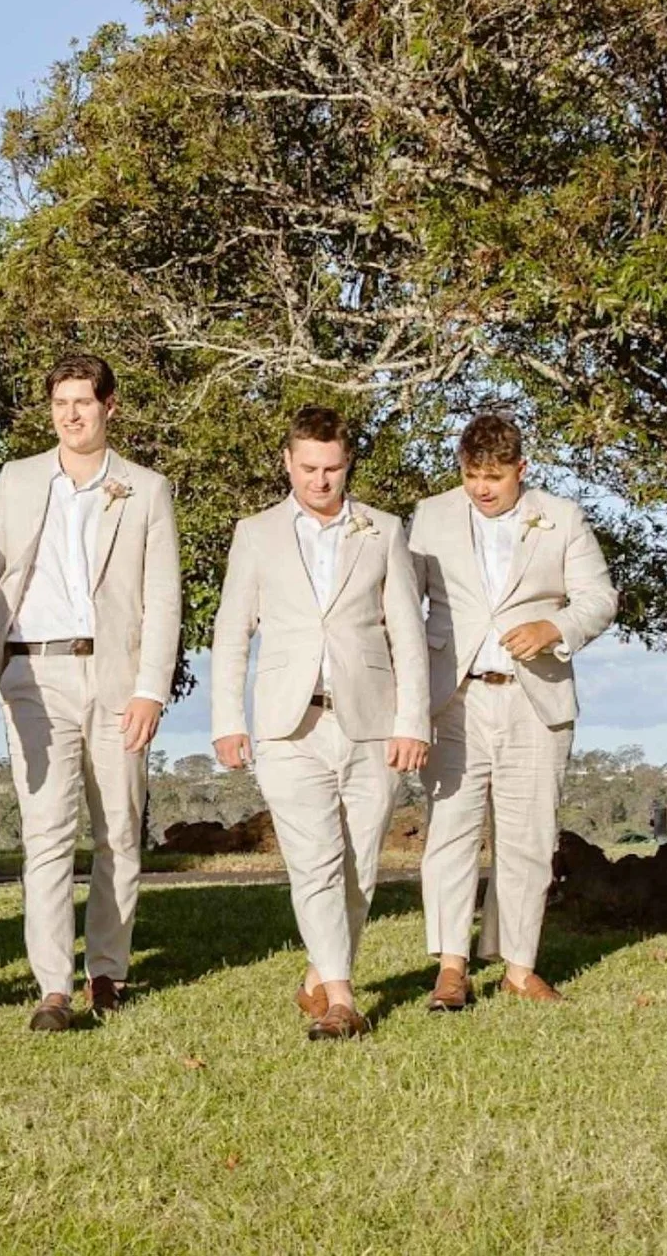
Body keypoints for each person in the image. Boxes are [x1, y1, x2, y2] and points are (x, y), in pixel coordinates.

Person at [0, 355, 179, 1030]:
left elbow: (162, 601)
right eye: (60, 402)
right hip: (31, 673)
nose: (70, 414)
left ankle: (107, 970)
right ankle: (53, 985)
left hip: (114, 675)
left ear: (110, 406)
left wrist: (150, 690)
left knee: (119, 832)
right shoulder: (18, 480)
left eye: (83, 401)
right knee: (46, 834)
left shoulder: (145, 488)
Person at [208, 405, 428, 1040]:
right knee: (313, 862)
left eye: (331, 469)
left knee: (358, 866)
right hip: (286, 724)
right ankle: (341, 998)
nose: (320, 481)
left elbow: (408, 636)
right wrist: (228, 717)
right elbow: (231, 634)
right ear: (287, 461)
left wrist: (412, 720)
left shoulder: (382, 530)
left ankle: (319, 977)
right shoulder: (255, 533)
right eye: (308, 468)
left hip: (371, 721)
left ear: (347, 463)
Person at [407, 414, 617, 1008]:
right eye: (472, 475)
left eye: (494, 477)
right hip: (454, 697)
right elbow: (402, 603)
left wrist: (555, 625)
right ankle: (451, 967)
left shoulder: (564, 517)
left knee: (529, 837)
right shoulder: (430, 517)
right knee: (451, 831)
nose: (481, 488)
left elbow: (601, 597)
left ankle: (520, 967)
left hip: (536, 698)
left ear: (522, 470)